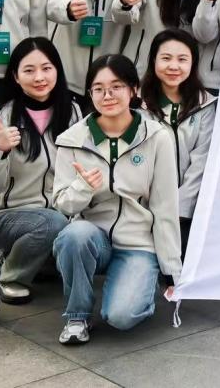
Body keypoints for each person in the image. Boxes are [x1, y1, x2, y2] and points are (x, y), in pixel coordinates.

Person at [52, 54, 181, 345]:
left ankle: (137, 281)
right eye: (98, 89)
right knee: (74, 235)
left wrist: (171, 270)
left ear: (133, 89)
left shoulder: (157, 137)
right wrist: (83, 187)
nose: (107, 95)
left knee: (121, 317)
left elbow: (165, 207)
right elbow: (63, 204)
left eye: (116, 87)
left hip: (137, 244)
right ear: (90, 94)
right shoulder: (72, 139)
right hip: (93, 239)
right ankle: (77, 315)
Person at [0, 37, 81, 305]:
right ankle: (10, 276)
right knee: (51, 224)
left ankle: (39, 262)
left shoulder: (71, 112)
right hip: (7, 217)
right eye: (29, 70)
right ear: (15, 76)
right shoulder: (2, 118)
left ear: (57, 70)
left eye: (47, 68)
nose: (39, 77)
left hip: (60, 212)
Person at [139, 29, 215, 255]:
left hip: (187, 212)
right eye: (166, 58)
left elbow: (201, 162)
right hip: (145, 210)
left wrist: (179, 208)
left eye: (182, 59)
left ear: (193, 63)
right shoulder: (137, 105)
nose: (174, 66)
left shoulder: (205, 105)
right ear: (153, 60)